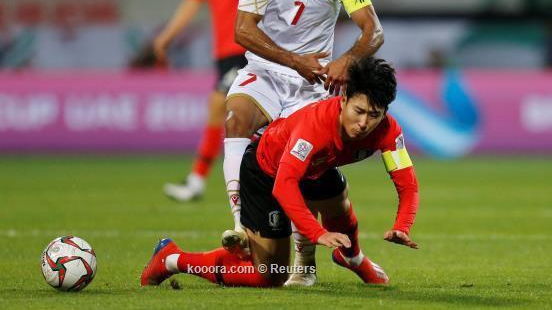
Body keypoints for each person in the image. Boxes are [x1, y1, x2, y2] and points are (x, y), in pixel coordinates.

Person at [140, 57, 419, 288]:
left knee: (337, 197)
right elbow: (284, 184)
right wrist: (316, 232)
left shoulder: (387, 130)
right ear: (343, 99)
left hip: (314, 169)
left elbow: (407, 184)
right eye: (359, 111)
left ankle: (353, 258)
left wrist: (402, 226)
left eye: (374, 114)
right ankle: (172, 259)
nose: (363, 123)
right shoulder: (315, 128)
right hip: (266, 173)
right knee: (271, 273)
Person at [220, 0, 384, 278]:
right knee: (235, 119)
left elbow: (373, 30)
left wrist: (346, 61)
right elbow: (242, 31)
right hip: (266, 71)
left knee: (301, 162)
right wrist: (293, 60)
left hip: (312, 85)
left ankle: (305, 259)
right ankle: (240, 226)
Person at [149, 0, 262, 201]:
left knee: (217, 105)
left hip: (249, 48)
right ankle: (210, 179)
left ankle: (199, 180)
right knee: (234, 115)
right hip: (223, 52)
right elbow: (191, 2)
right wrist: (167, 36)